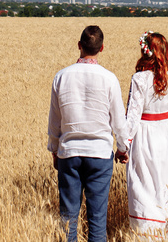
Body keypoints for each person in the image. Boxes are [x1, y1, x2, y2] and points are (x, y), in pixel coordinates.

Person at [48, 25, 130, 242]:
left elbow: (54, 121)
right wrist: (122, 148)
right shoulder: (109, 78)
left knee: (68, 219)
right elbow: (119, 121)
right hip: (100, 154)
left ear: (79, 46)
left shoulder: (61, 77)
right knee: (97, 219)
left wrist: (54, 150)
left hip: (69, 153)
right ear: (102, 48)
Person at [125, 31, 168, 238]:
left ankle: (145, 234)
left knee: (143, 185)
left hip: (144, 135)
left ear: (146, 53)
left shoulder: (139, 79)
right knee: (164, 184)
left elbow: (133, 115)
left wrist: (124, 144)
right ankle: (161, 231)